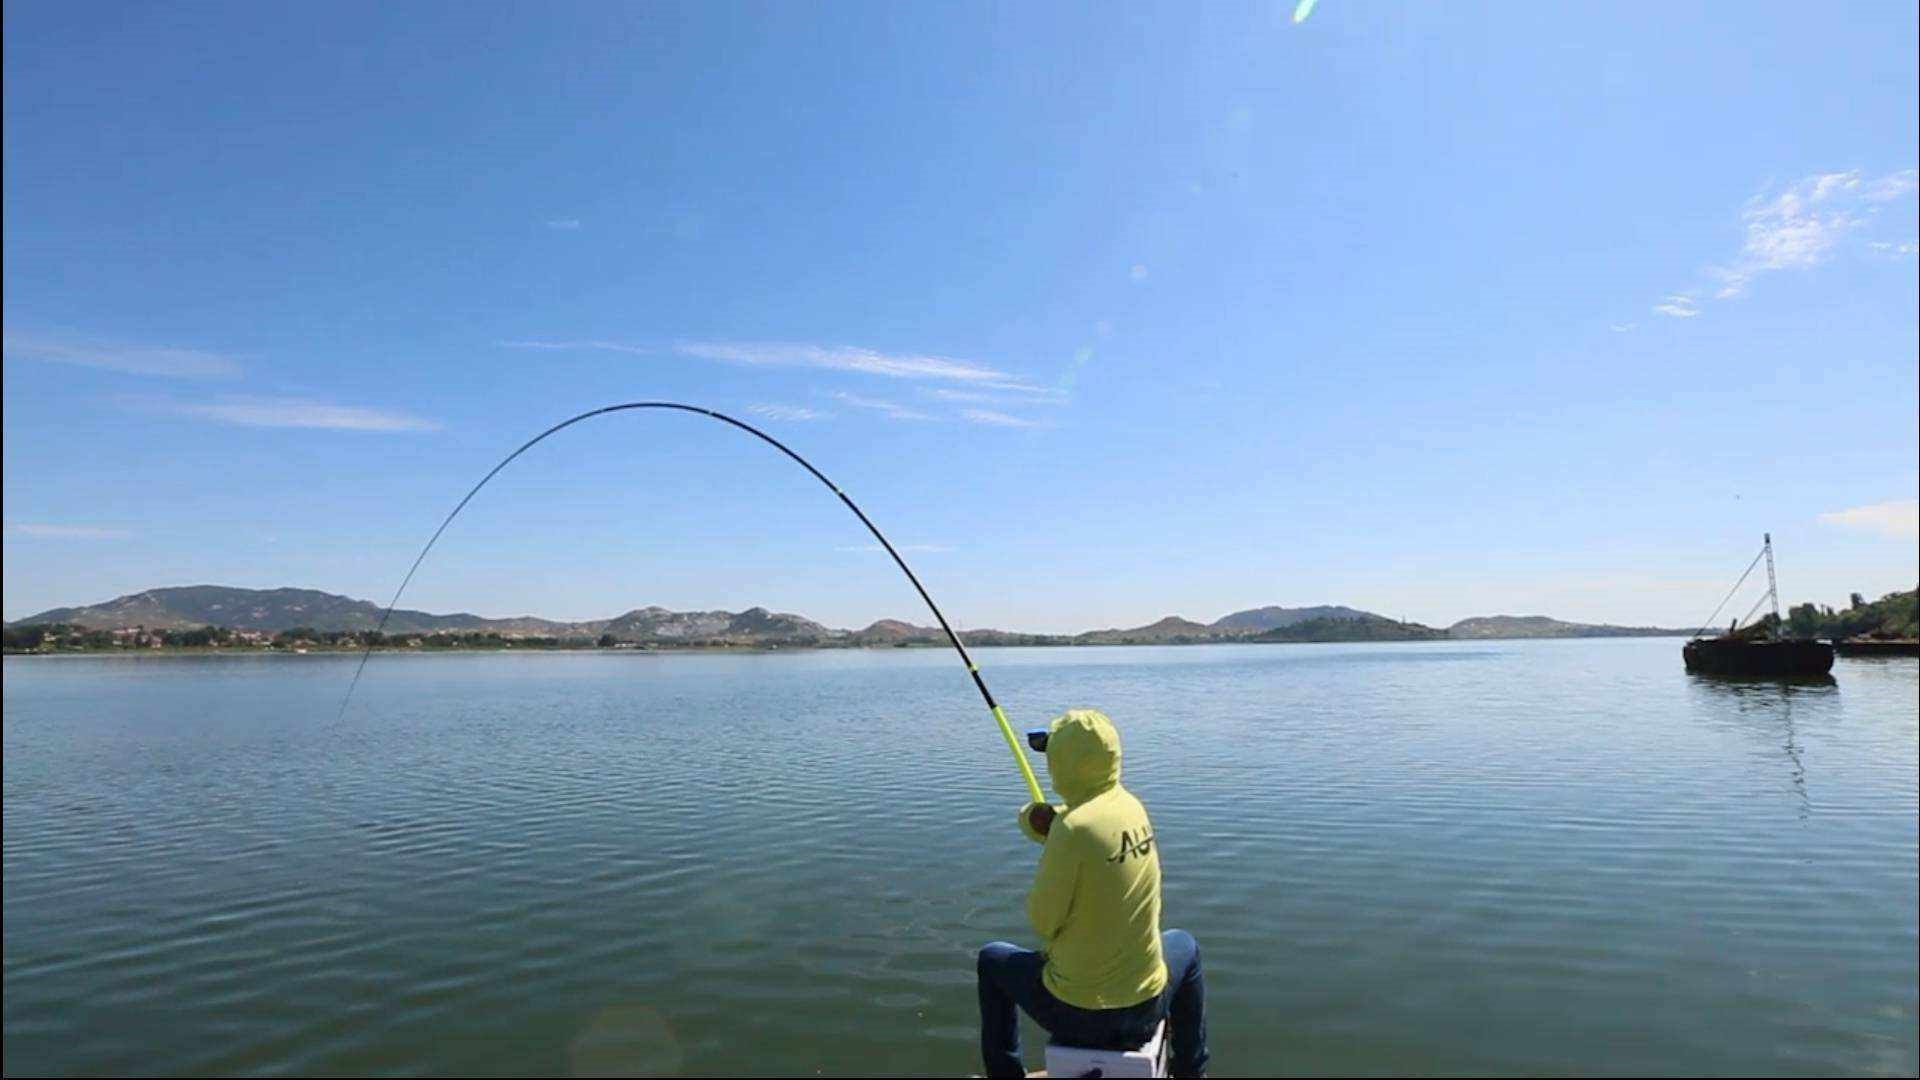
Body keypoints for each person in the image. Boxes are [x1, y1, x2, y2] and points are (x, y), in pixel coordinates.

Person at [976, 708, 1208, 1078]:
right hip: (1147, 1005)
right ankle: (1192, 1071)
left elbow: (1043, 922)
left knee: (991, 960)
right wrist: (1038, 820)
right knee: (1186, 945)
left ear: (1064, 762)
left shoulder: (1072, 831)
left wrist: (1058, 837)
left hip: (1081, 1016)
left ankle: (1005, 1074)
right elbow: (1079, 827)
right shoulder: (1131, 807)